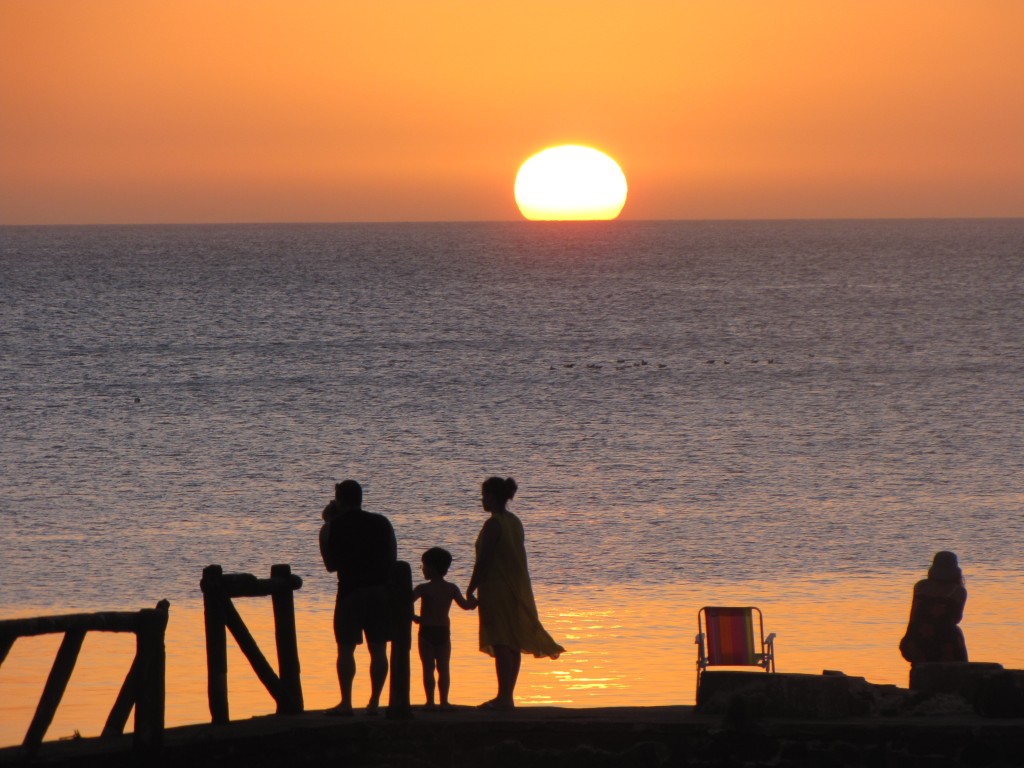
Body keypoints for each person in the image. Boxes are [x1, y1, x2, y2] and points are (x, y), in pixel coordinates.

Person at [466, 476, 564, 710]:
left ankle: (504, 697)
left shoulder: (493, 524)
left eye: (484, 496)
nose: (482, 500)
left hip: (496, 588)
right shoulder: (515, 522)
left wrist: (471, 587)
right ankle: (507, 696)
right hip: (515, 586)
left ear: (493, 497)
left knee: (501, 640)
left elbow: (484, 560)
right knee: (512, 641)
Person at [319, 479, 397, 715]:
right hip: (380, 591)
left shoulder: (333, 526)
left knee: (345, 650)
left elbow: (330, 566)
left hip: (350, 592)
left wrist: (328, 525)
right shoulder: (382, 523)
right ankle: (374, 702)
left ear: (339, 500)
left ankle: (346, 703)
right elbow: (393, 558)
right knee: (379, 650)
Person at [411, 547, 477, 710]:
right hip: (443, 632)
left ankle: (430, 702)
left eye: (423, 566)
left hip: (426, 632)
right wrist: (475, 600)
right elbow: (466, 606)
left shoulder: (423, 588)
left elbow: (405, 603)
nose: (423, 569)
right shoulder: (451, 588)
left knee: (428, 668)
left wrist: (414, 618)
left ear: (431, 568)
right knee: (443, 668)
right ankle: (444, 702)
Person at [899, 550, 968, 665]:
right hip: (943, 644)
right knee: (956, 632)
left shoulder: (920, 586)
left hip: (913, 640)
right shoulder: (958, 591)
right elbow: (956, 618)